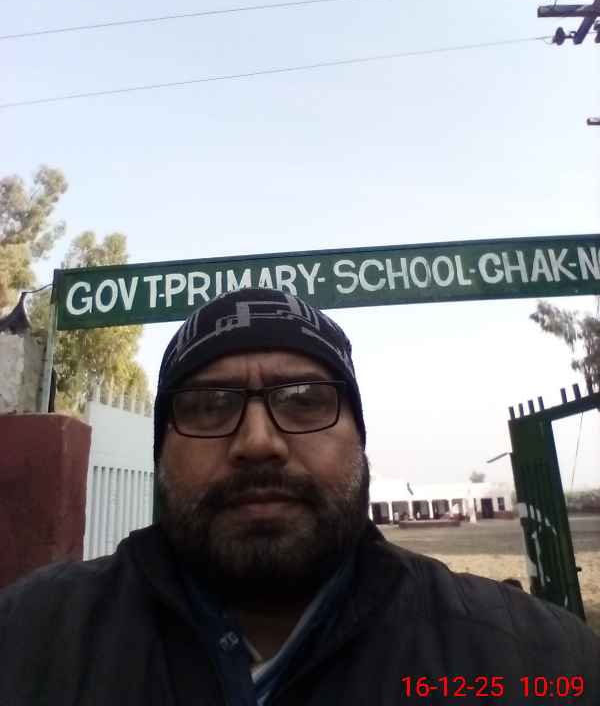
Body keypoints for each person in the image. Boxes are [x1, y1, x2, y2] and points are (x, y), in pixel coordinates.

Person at [0, 287, 598, 705]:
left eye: (305, 400)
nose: (258, 442)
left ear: (360, 440)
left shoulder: (536, 660)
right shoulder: (28, 641)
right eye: (209, 406)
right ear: (160, 452)